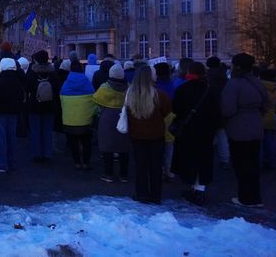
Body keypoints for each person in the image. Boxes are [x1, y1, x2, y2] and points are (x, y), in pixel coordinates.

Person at [221, 53, 270, 208]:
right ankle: (255, 197)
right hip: (256, 127)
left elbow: (228, 109)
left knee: (241, 164)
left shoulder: (234, 84)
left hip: (238, 129)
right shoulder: (257, 82)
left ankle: (245, 198)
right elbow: (266, 104)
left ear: (238, 67)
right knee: (253, 163)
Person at [171, 62, 220, 206]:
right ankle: (200, 189)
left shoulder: (182, 89)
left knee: (189, 159)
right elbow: (217, 111)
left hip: (188, 130)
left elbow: (176, 109)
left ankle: (192, 186)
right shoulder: (210, 90)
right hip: (206, 131)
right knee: (203, 160)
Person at [126, 65, 171, 204]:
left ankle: (142, 194)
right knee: (156, 167)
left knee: (141, 166)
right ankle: (156, 195)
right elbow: (167, 112)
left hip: (137, 135)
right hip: (156, 135)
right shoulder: (159, 95)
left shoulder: (130, 95)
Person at [0, 57, 25, 173]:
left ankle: (1, 163)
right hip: (14, 113)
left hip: (1, 113)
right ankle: (11, 162)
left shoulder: (0, 80)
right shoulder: (18, 80)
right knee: (11, 138)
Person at [60, 51, 97, 171]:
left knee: (74, 142)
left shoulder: (66, 84)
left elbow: (62, 100)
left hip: (70, 121)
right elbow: (93, 99)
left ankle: (76, 162)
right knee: (86, 142)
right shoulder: (87, 83)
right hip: (85, 121)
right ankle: (86, 162)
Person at [93, 63, 129, 182]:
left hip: (107, 117)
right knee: (124, 146)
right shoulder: (128, 87)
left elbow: (96, 99)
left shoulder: (104, 88)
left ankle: (108, 174)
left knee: (107, 146)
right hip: (123, 116)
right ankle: (124, 175)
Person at [25, 50, 58, 162]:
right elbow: (57, 88)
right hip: (49, 105)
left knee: (35, 130)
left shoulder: (32, 72)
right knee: (47, 130)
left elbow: (27, 87)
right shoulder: (53, 72)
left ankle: (36, 154)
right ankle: (47, 153)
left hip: (35, 104)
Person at [206, 56, 230, 170]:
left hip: (210, 110)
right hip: (223, 108)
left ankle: (207, 158)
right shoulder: (224, 77)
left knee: (208, 136)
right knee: (222, 136)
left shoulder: (207, 77)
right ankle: (225, 159)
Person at [259, 68, 276, 169]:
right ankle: (269, 162)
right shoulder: (274, 87)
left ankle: (260, 163)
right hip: (271, 117)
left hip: (260, 117)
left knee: (259, 144)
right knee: (269, 142)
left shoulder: (260, 87)